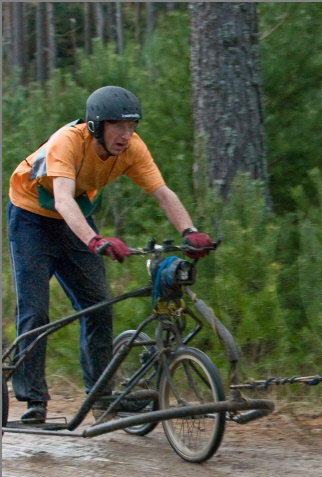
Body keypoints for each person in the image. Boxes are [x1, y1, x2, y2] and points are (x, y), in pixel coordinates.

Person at [6, 86, 212, 423]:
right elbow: (62, 199)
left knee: (99, 306)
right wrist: (95, 240)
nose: (126, 135)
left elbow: (161, 192)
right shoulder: (66, 142)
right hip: (31, 218)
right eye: (118, 126)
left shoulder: (132, 149)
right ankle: (33, 400)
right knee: (35, 312)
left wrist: (188, 232)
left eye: (132, 127)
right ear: (94, 126)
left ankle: (101, 396)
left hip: (74, 220)